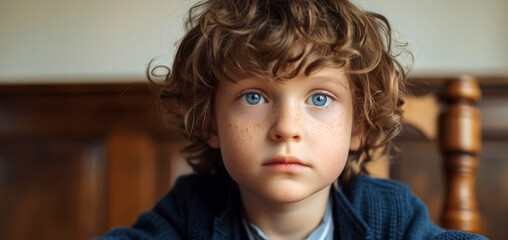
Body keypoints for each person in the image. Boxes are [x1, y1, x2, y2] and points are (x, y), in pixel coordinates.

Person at [97, 0, 487, 239]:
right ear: (209, 123)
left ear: (358, 128)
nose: (286, 127)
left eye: (319, 98)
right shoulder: (190, 211)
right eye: (254, 96)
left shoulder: (389, 215)